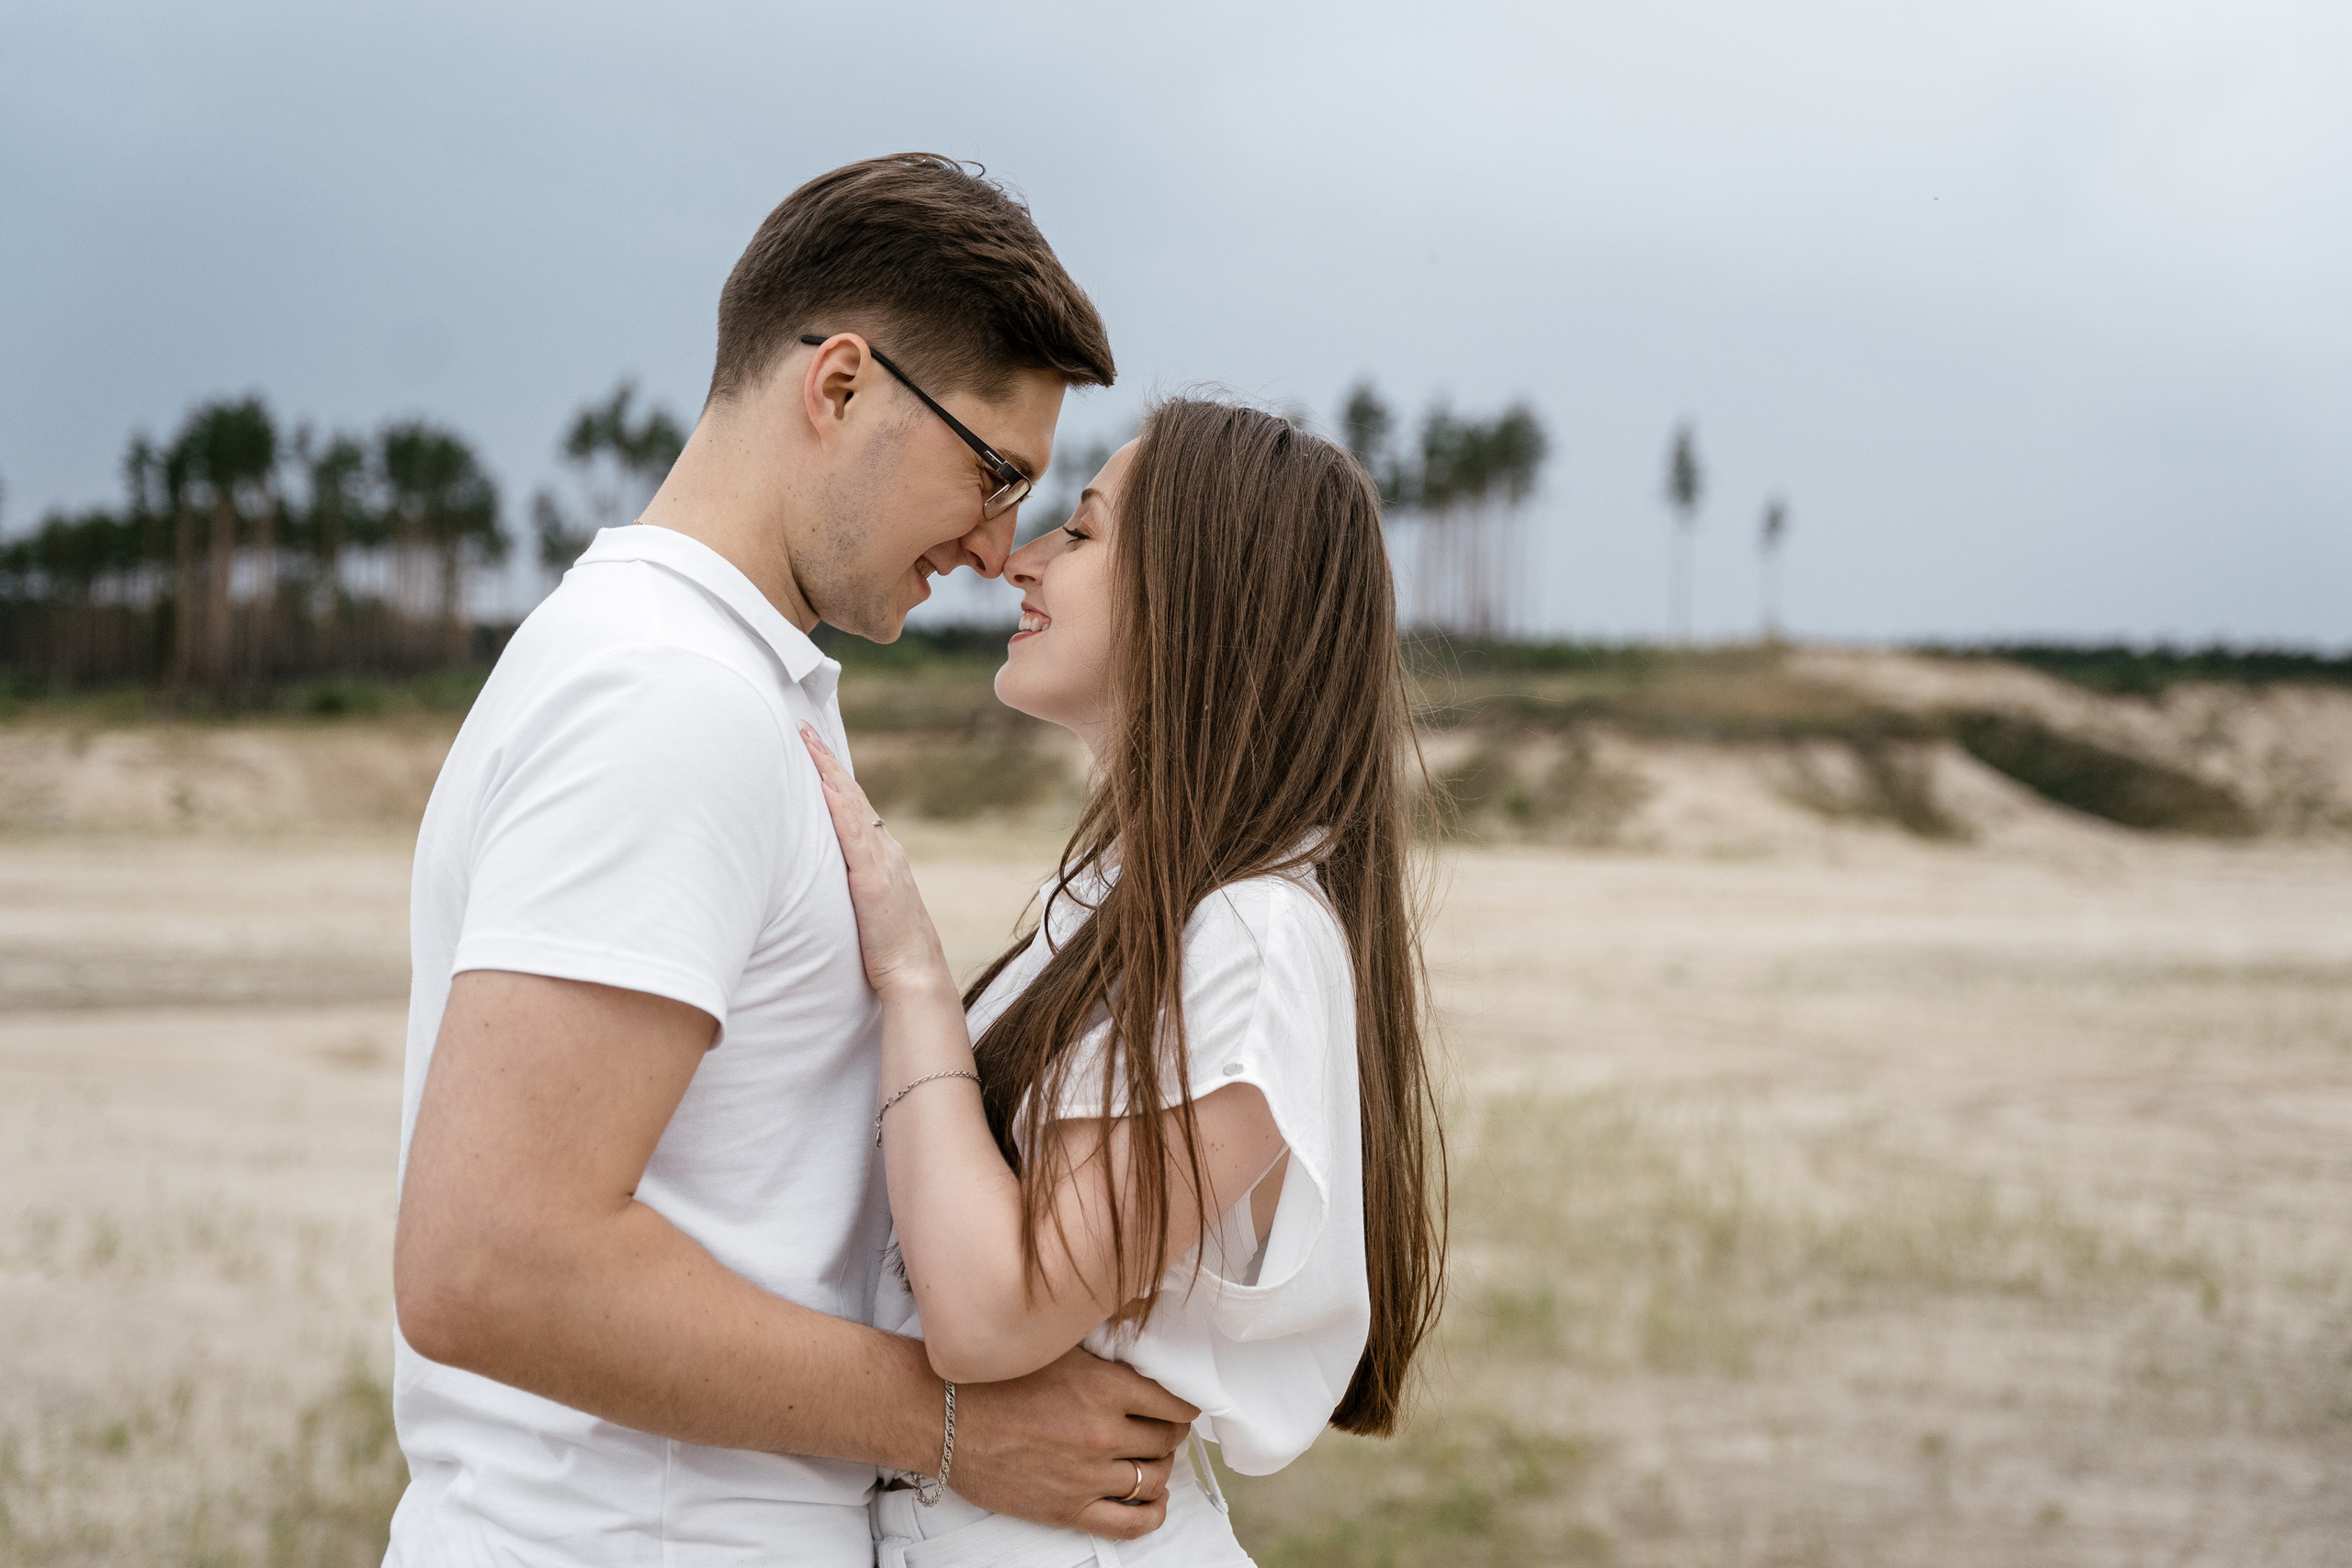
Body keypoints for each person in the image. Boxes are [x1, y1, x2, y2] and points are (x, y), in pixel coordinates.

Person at [387, 154, 1204, 1566]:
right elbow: (490, 1261)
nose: (996, 545)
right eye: (993, 472)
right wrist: (954, 1423)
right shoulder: (669, 697)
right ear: (839, 386)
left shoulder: (703, 676)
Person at [797, 400, 1449, 1566]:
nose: (1021, 559)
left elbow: (993, 1312)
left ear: (1200, 597)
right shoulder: (1144, 901)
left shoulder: (1253, 936)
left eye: (1083, 531)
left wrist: (913, 976)